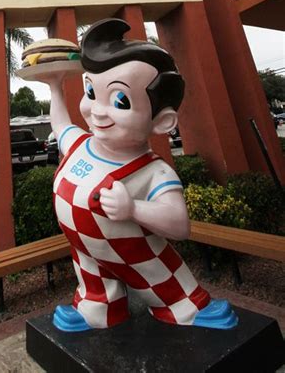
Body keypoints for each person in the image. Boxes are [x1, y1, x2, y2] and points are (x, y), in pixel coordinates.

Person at [44, 18, 237, 332]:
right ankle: (98, 305)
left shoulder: (152, 171)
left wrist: (133, 209)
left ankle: (184, 306)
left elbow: (179, 225)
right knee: (93, 284)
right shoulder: (80, 144)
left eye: (120, 100)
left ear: (162, 121)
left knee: (167, 288)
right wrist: (54, 87)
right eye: (91, 91)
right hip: (87, 254)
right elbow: (60, 125)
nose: (98, 110)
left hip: (141, 259)